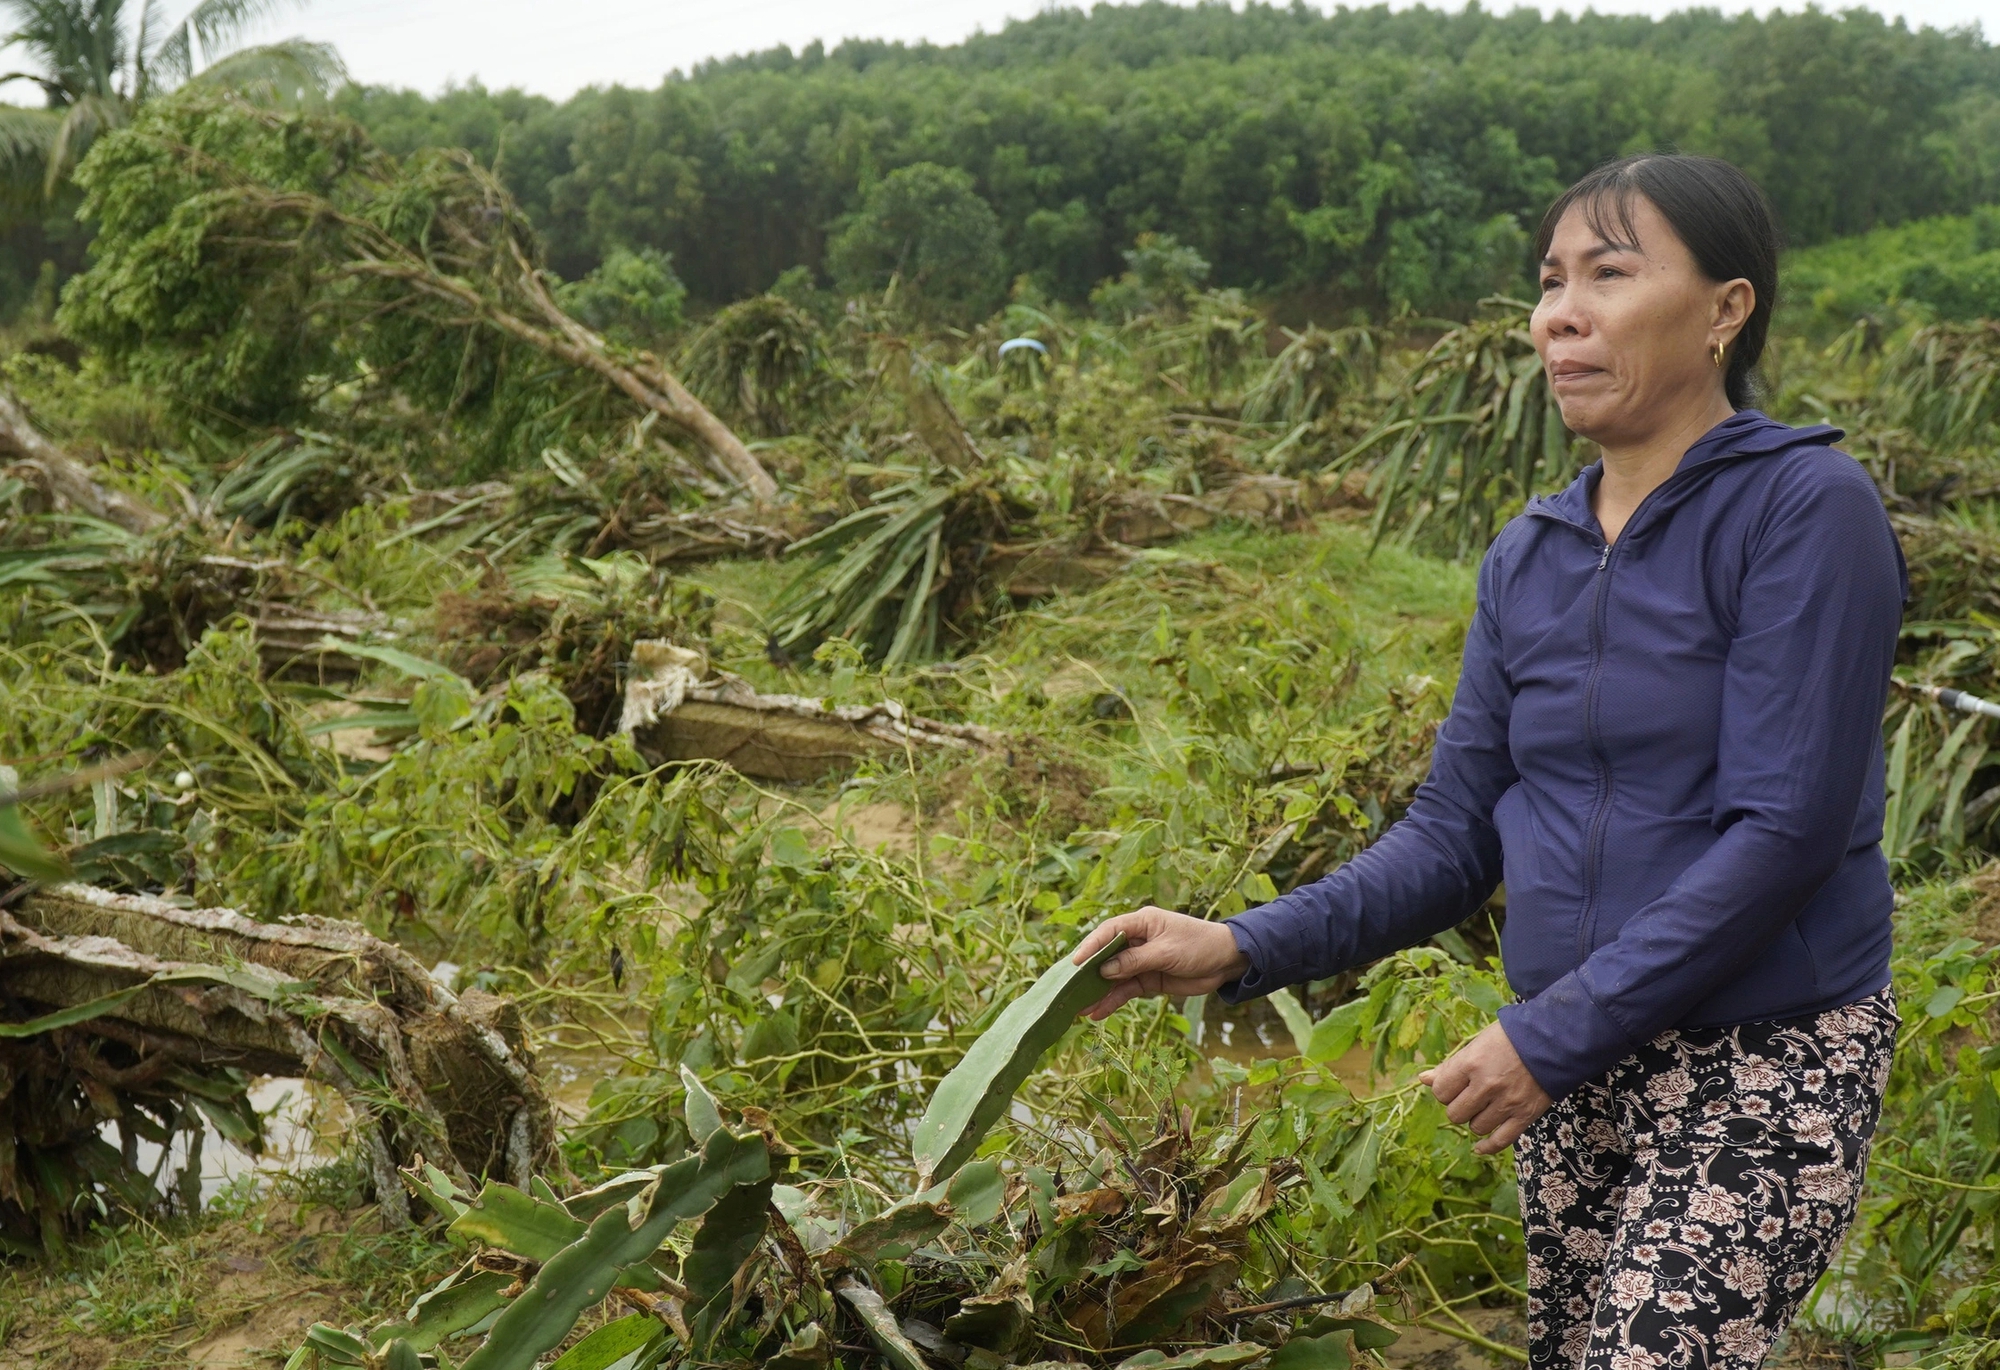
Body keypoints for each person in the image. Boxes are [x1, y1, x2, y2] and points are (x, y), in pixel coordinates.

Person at [1070, 154, 1906, 1370]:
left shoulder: (1801, 508)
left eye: (1607, 275)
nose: (1557, 312)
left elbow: (1782, 834)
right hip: (1577, 1054)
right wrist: (1241, 943)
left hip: (1761, 1050)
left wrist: (1547, 1037)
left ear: (1726, 309)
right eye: (1549, 279)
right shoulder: (1532, 553)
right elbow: (1454, 831)